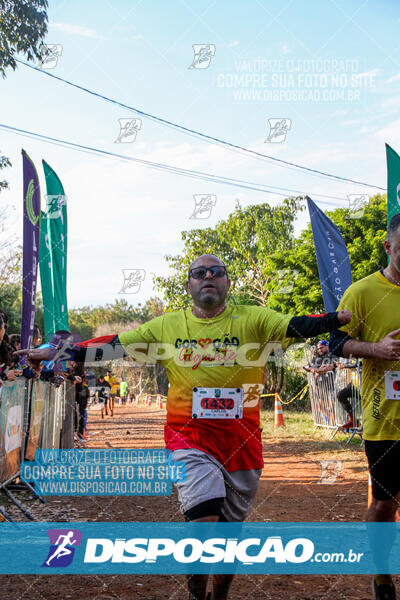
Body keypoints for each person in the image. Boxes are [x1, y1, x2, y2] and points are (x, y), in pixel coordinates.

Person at [16, 254, 351, 600]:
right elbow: (115, 346)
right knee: (204, 522)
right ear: (188, 284)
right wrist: (63, 353)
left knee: (227, 540)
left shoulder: (254, 319)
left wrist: (334, 319)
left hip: (242, 445)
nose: (209, 276)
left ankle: (217, 594)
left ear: (227, 283)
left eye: (217, 272)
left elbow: (297, 324)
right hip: (188, 439)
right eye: (200, 273)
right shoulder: (166, 327)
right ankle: (195, 592)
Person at [333, 213, 400, 600]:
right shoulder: (362, 292)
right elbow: (333, 343)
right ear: (388, 247)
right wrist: (376, 349)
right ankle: (381, 575)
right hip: (385, 418)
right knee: (384, 503)